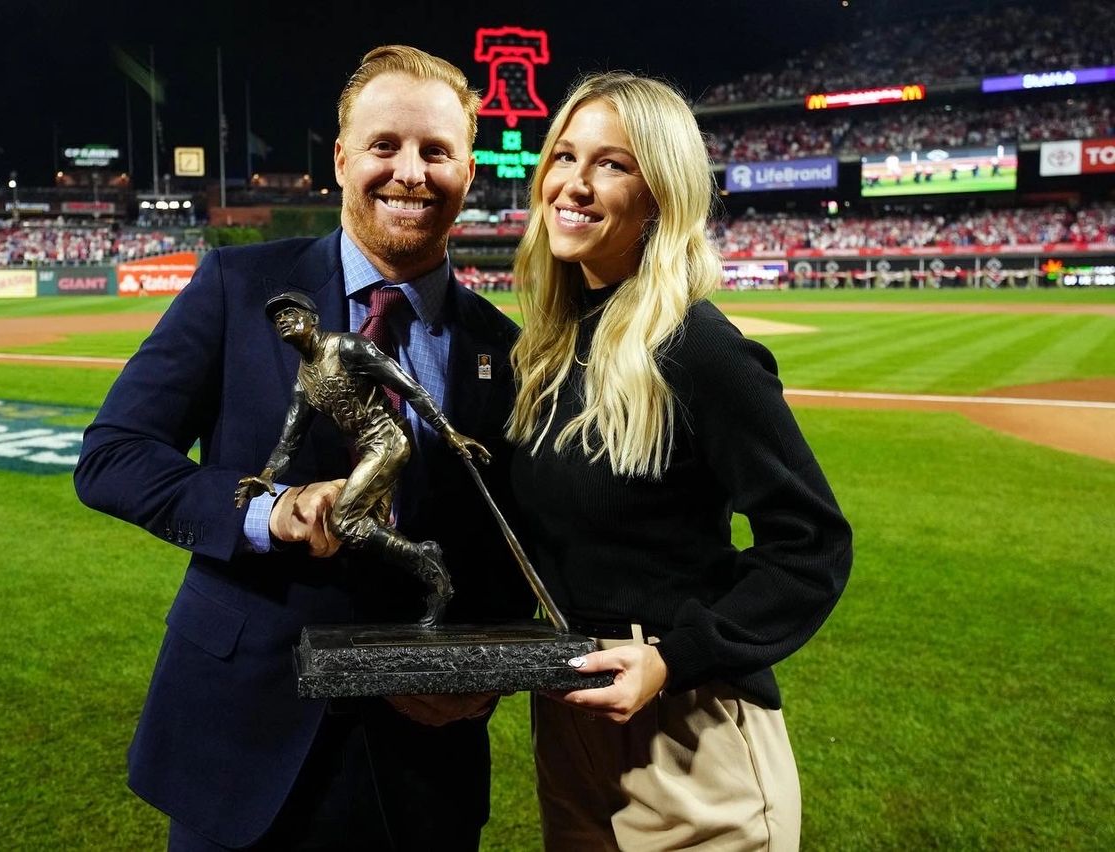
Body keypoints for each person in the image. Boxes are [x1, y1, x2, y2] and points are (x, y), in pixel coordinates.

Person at [75, 45, 530, 851]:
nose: (410, 172)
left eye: (436, 151)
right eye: (385, 145)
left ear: (469, 167)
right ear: (342, 157)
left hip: (422, 762)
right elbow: (113, 455)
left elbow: (512, 542)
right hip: (241, 738)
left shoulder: (508, 347)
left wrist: (486, 677)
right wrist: (269, 511)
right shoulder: (237, 287)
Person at [507, 72, 853, 851]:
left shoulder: (700, 349)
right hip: (570, 726)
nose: (575, 184)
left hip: (690, 739)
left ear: (660, 194)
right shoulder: (550, 349)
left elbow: (813, 547)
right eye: (564, 156)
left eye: (613, 165)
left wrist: (675, 659)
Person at [235, 290, 493, 627]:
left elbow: (408, 386)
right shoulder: (305, 379)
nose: (284, 320)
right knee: (367, 534)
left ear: (313, 320)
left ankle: (429, 563)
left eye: (291, 313)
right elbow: (289, 440)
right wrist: (267, 474)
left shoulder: (348, 347)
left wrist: (448, 432)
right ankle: (421, 587)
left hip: (387, 441)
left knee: (344, 521)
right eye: (278, 318)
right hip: (367, 450)